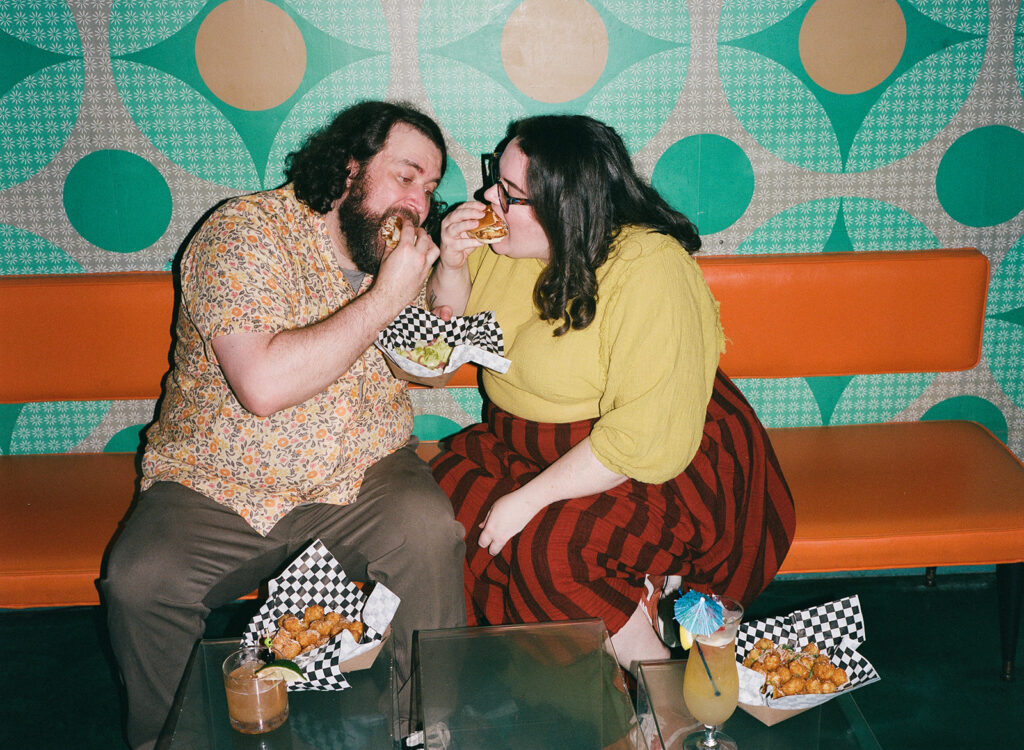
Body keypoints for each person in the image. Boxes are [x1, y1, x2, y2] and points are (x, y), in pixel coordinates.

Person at [101, 101, 467, 750]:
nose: (418, 201)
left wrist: (451, 273)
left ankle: (430, 729)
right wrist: (384, 296)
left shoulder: (394, 248)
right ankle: (165, 742)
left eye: (430, 188)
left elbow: (431, 370)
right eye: (406, 176)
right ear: (351, 168)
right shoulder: (244, 233)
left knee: (430, 535)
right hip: (219, 480)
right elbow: (262, 387)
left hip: (364, 471)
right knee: (142, 580)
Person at [428, 115, 796, 672]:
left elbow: (643, 437)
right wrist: (451, 264)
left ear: (565, 208)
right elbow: (445, 330)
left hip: (656, 451)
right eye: (493, 180)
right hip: (527, 444)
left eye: (509, 193)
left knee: (552, 549)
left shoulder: (648, 266)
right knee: (448, 500)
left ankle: (667, 697)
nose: (486, 198)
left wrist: (528, 499)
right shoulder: (498, 244)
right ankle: (599, 647)